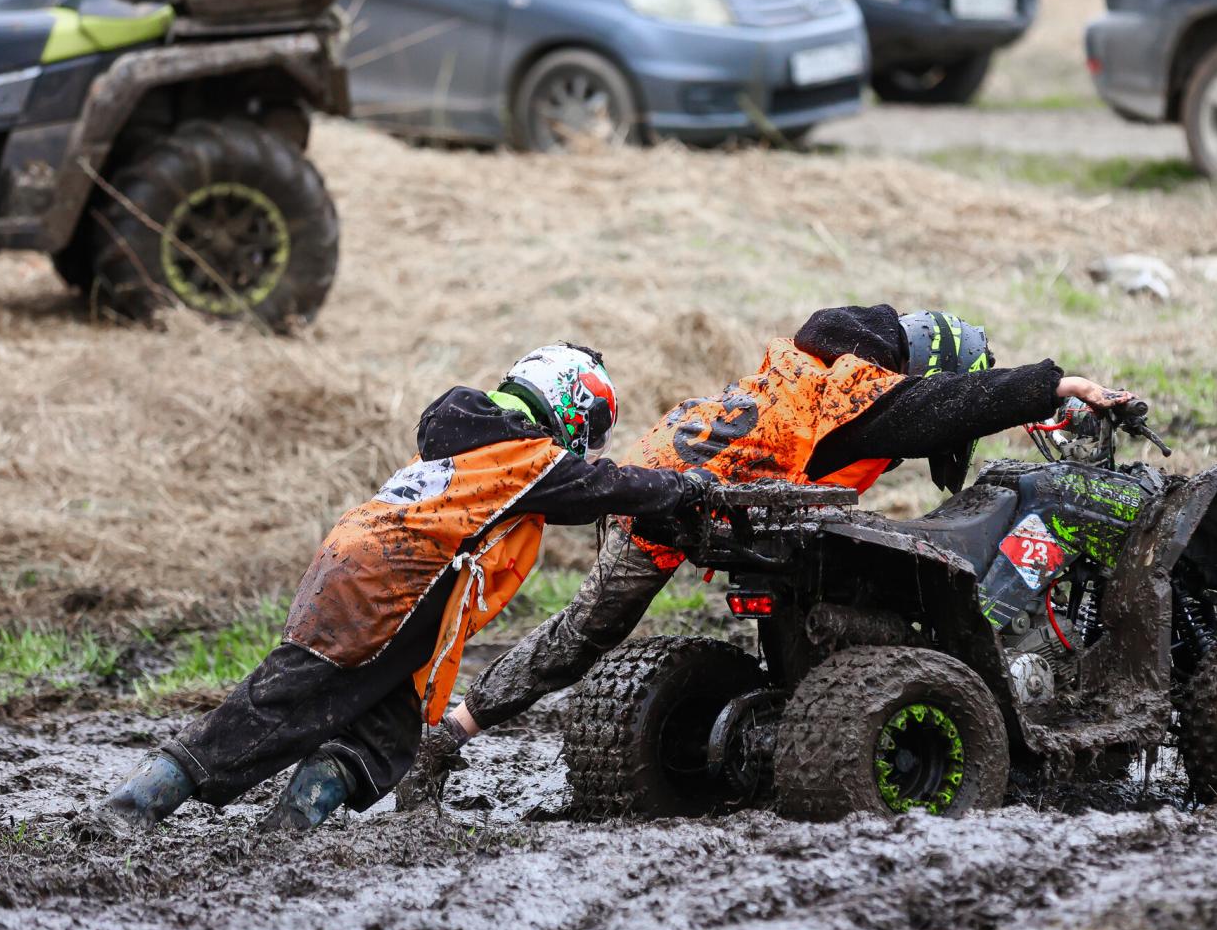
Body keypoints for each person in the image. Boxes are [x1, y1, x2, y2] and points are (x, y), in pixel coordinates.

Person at [396, 305, 1133, 807]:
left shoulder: (813, 367)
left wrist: (1046, 406)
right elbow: (942, 408)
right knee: (877, 574)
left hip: (672, 475)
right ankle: (446, 733)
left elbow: (938, 409)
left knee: (585, 630)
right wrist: (1053, 385)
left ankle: (451, 732)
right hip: (695, 496)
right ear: (930, 372)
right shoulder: (858, 391)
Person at [97, 344, 707, 834]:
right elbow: (605, 486)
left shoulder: (475, 435)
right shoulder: (522, 458)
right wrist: (686, 488)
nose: (590, 440)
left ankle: (286, 831)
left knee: (383, 733)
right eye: (593, 423)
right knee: (276, 706)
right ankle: (131, 809)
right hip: (389, 587)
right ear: (571, 405)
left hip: (366, 569)